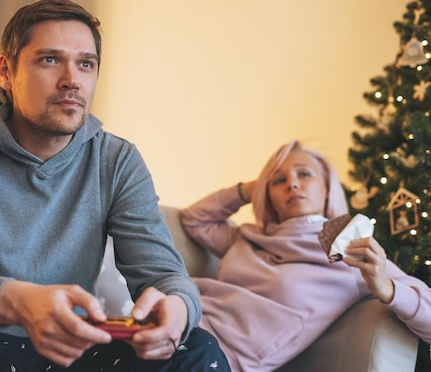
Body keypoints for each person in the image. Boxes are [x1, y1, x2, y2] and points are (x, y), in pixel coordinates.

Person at [0, 0, 229, 372]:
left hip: (72, 355)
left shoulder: (117, 161)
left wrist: (180, 308)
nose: (72, 79)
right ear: (6, 72)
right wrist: (16, 300)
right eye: (50, 60)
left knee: (198, 349)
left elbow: (165, 275)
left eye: (85, 64)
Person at [180, 140, 431, 372]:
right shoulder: (247, 237)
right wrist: (250, 190)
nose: (292, 183)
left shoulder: (349, 252)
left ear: (326, 187)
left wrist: (388, 288)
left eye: (304, 174)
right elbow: (194, 220)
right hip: (181, 315)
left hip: (211, 356)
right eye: (278, 180)